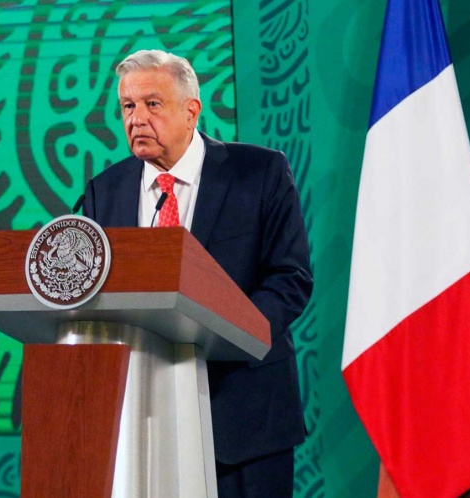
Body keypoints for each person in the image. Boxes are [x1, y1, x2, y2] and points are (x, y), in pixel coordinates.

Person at [82, 49, 313, 497]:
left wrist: (225, 335)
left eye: (152, 103)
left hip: (244, 415)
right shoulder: (105, 191)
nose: (137, 118)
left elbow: (290, 278)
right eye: (128, 106)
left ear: (192, 111)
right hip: (141, 416)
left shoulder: (258, 173)